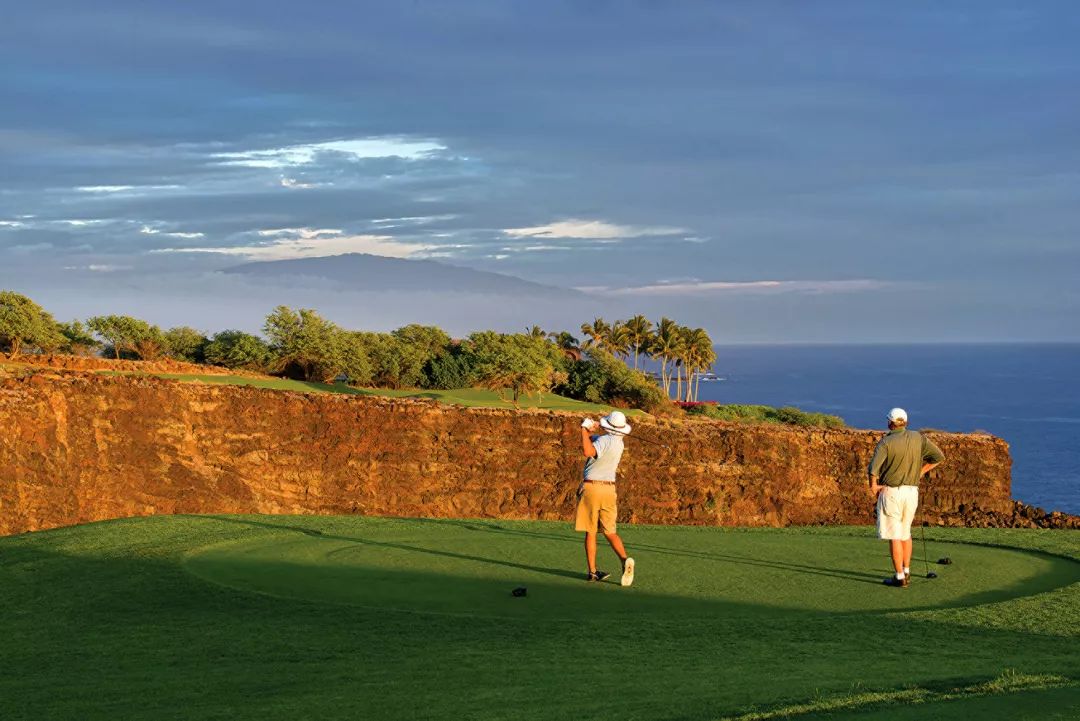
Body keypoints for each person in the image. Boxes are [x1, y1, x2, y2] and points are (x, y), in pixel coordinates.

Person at [869, 408, 945, 587]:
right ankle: (907, 571)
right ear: (905, 422)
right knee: (905, 533)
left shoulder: (885, 442)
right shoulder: (918, 438)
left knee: (894, 536)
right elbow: (938, 457)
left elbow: (874, 469)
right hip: (912, 493)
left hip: (892, 492)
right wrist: (919, 472)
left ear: (890, 422)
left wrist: (873, 486)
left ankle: (899, 577)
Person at [575, 411, 635, 586]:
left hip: (592, 488)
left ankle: (592, 572)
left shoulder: (603, 441)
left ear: (607, 425)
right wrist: (590, 431)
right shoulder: (619, 443)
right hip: (609, 490)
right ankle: (624, 560)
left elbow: (588, 450)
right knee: (610, 531)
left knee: (591, 531)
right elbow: (596, 441)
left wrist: (583, 429)